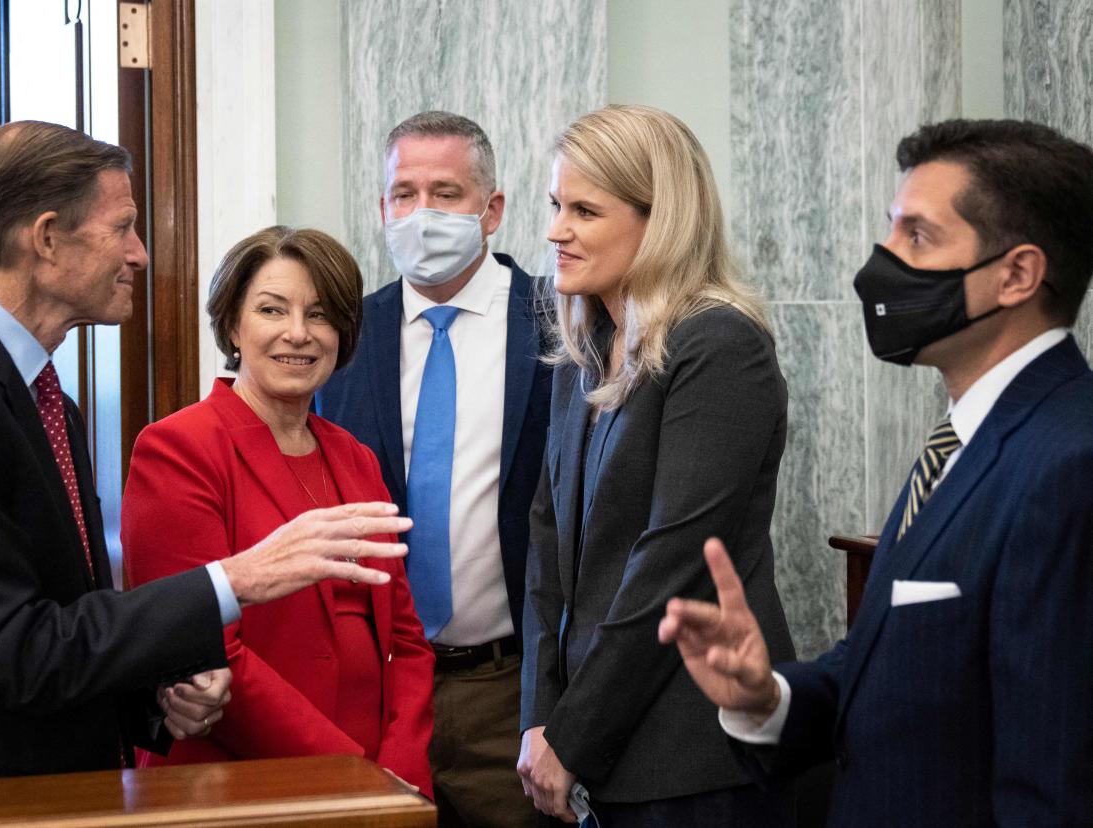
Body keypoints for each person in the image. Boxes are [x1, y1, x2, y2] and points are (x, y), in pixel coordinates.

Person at [0, 121, 411, 788]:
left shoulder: (49, 402)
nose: (141, 254)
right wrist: (237, 580)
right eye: (123, 227)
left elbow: (66, 625)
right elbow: (7, 648)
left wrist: (158, 696)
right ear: (48, 237)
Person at [659, 118, 1093, 824]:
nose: (880, 263)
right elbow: (899, 663)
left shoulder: (1068, 464)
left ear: (1017, 274)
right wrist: (767, 699)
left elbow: (1055, 774)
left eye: (916, 236)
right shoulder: (967, 437)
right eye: (891, 230)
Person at [517, 104, 796, 825]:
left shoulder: (720, 345)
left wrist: (574, 737)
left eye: (584, 210)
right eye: (556, 205)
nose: (555, 231)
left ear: (659, 219)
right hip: (588, 746)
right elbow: (548, 550)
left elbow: (671, 562)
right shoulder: (583, 348)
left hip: (688, 757)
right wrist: (539, 722)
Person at [122, 226, 434, 795]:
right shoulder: (178, 449)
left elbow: (406, 638)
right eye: (272, 309)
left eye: (319, 315)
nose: (298, 334)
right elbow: (203, 644)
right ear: (234, 325)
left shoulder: (356, 458)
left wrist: (401, 768)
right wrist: (351, 775)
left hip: (380, 783)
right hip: (236, 779)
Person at [317, 111, 552, 826]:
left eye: (446, 193)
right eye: (404, 193)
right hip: (378, 692)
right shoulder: (342, 337)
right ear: (382, 208)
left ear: (492, 210)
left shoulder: (561, 324)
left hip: (509, 692)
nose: (423, 214)